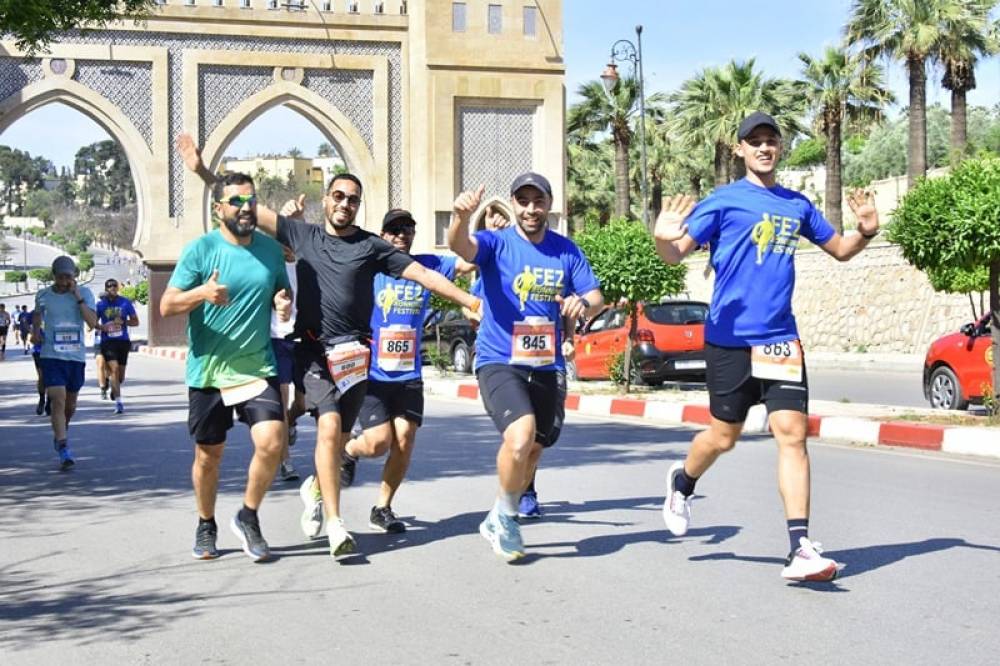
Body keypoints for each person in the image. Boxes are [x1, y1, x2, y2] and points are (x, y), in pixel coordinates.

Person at [177, 132, 481, 560]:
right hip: (314, 351)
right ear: (327, 200)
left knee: (340, 441)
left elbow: (423, 275)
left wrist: (469, 299)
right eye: (338, 195)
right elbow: (244, 204)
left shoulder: (373, 246)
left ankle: (315, 490)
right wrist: (203, 172)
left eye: (352, 199)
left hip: (357, 355)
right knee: (328, 427)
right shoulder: (303, 236)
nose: (344, 203)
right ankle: (337, 524)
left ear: (358, 205)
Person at [653, 111, 881, 582]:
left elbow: (839, 249)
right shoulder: (723, 201)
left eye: (771, 141)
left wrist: (866, 231)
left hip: (780, 339)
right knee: (723, 437)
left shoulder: (796, 205)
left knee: (793, 435)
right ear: (739, 149)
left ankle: (800, 547)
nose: (763, 148)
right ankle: (683, 482)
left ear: (780, 148)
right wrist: (661, 237)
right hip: (730, 341)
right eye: (754, 141)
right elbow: (676, 251)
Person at [448, 173, 604, 561]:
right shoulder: (496, 243)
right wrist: (459, 217)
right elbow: (461, 247)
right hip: (499, 359)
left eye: (538, 201)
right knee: (520, 436)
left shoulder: (566, 251)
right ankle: (505, 516)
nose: (531, 209)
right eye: (523, 200)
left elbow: (596, 295)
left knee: (534, 447)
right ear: (514, 204)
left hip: (546, 364)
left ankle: (499, 514)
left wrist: (582, 304)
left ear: (549, 203)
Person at [160, 171, 293, 562]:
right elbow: (167, 305)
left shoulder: (270, 251)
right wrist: (202, 293)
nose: (245, 207)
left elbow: (280, 295)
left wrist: (282, 305)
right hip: (210, 372)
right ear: (219, 208)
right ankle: (206, 522)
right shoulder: (201, 251)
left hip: (256, 367)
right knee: (208, 455)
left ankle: (248, 515)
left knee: (272, 441)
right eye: (235, 201)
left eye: (250, 200)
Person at [338, 208, 478, 534]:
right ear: (383, 235)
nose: (401, 235)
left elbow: (469, 260)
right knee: (376, 443)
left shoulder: (428, 266)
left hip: (409, 375)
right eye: (394, 230)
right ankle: (349, 450)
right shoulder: (369, 270)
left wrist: (485, 228)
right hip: (373, 374)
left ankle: (382, 507)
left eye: (408, 229)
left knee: (405, 439)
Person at [31, 256, 98, 468]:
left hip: (75, 357)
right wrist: (35, 331)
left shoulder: (85, 293)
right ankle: (63, 445)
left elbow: (92, 322)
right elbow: (37, 314)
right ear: (54, 276)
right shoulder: (43, 295)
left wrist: (77, 295)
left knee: (70, 405)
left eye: (69, 276)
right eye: (61, 276)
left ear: (74, 276)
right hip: (52, 355)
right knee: (57, 399)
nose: (64, 280)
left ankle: (62, 431)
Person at [271, 243, 302, 483]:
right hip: (276, 340)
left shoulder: (306, 268)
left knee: (303, 402)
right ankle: (286, 461)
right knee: (281, 402)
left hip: (303, 340)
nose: (285, 247)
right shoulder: (267, 269)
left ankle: (291, 422)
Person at [96, 279, 140, 414]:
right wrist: (102, 327)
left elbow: (135, 322)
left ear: (118, 288)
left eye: (114, 286)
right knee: (114, 369)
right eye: (109, 286)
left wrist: (124, 322)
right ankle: (119, 402)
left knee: (120, 376)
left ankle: (114, 387)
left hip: (123, 341)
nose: (112, 288)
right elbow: (93, 321)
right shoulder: (100, 305)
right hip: (108, 342)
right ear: (106, 289)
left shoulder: (125, 302)